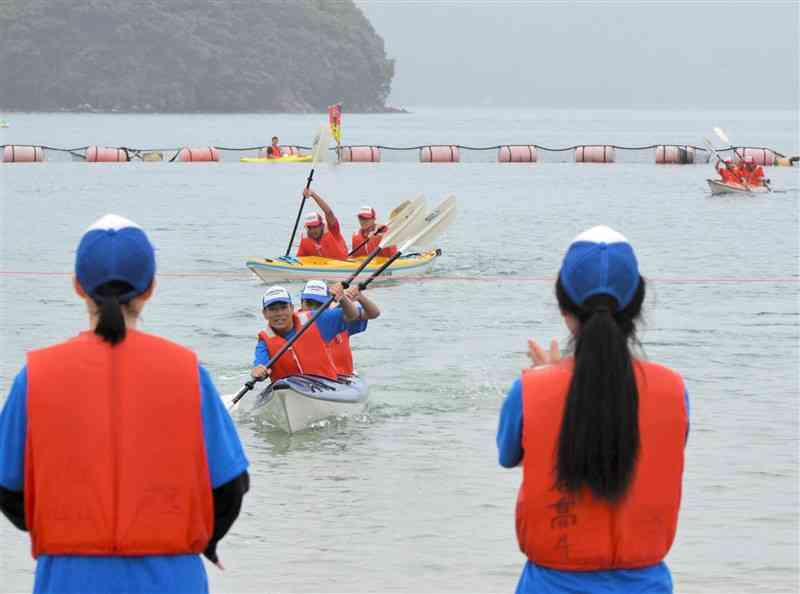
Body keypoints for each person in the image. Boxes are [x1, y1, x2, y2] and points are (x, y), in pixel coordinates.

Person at [0, 214, 249, 594]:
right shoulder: (187, 372)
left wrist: (69, 530)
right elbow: (230, 486)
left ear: (78, 287)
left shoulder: (34, 376)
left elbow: (8, 487)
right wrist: (189, 540)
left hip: (67, 578)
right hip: (172, 578)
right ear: (149, 288)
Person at [497, 225, 689, 594]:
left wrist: (546, 377)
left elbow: (510, 455)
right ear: (635, 303)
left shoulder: (530, 389)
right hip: (647, 584)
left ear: (563, 306)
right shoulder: (674, 390)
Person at [251, 283, 361, 382]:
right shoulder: (264, 340)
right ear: (265, 313)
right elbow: (260, 366)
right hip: (289, 391)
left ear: (292, 308)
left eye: (283, 307)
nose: (279, 313)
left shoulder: (314, 319)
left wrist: (342, 298)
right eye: (273, 309)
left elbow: (352, 315)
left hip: (325, 387)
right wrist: (258, 372)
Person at [298, 280, 380, 376]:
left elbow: (373, 313)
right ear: (301, 302)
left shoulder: (340, 316)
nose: (314, 309)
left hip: (343, 378)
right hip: (313, 378)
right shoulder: (293, 322)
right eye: (309, 303)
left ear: (328, 304)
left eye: (319, 304)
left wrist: (359, 297)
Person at [296, 188, 349, 260]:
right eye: (310, 227)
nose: (313, 230)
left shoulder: (333, 231)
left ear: (322, 225)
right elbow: (299, 260)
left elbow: (329, 213)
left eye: (315, 226)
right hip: (320, 267)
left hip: (342, 264)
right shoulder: (305, 239)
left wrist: (313, 194)